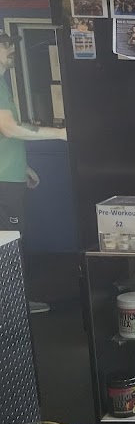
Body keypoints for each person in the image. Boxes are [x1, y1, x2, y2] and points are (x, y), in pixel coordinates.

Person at [0, 32, 67, 314]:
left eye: (11, 44)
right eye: (5, 45)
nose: (11, 49)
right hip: (4, 183)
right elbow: (9, 128)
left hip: (10, 174)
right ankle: (13, 308)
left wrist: (23, 165)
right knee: (9, 245)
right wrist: (60, 133)